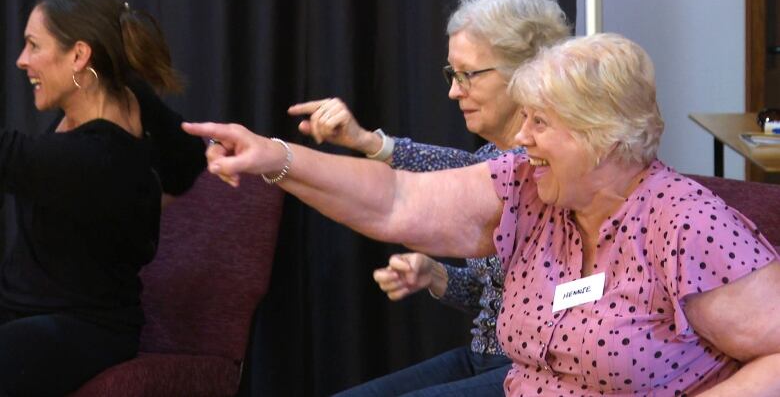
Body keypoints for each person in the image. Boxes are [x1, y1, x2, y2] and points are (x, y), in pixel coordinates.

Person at [185, 33, 780, 396]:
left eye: (540, 123)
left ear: (605, 137)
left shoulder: (685, 223)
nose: (521, 138)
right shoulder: (527, 185)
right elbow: (396, 199)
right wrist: (277, 158)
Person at [287, 0, 569, 396]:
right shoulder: (493, 155)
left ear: (527, 72)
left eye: (468, 75)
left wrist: (366, 142)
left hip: (539, 371)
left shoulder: (558, 165)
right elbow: (486, 294)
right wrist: (435, 275)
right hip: (484, 356)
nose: (455, 91)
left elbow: (468, 173)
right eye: (451, 75)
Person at [0, 0, 205, 396]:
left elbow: (11, 155)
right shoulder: (129, 95)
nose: (22, 60)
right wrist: (136, 200)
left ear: (79, 55)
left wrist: (129, 196)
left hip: (83, 326)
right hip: (28, 309)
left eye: (33, 45)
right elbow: (187, 161)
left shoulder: (92, 158)